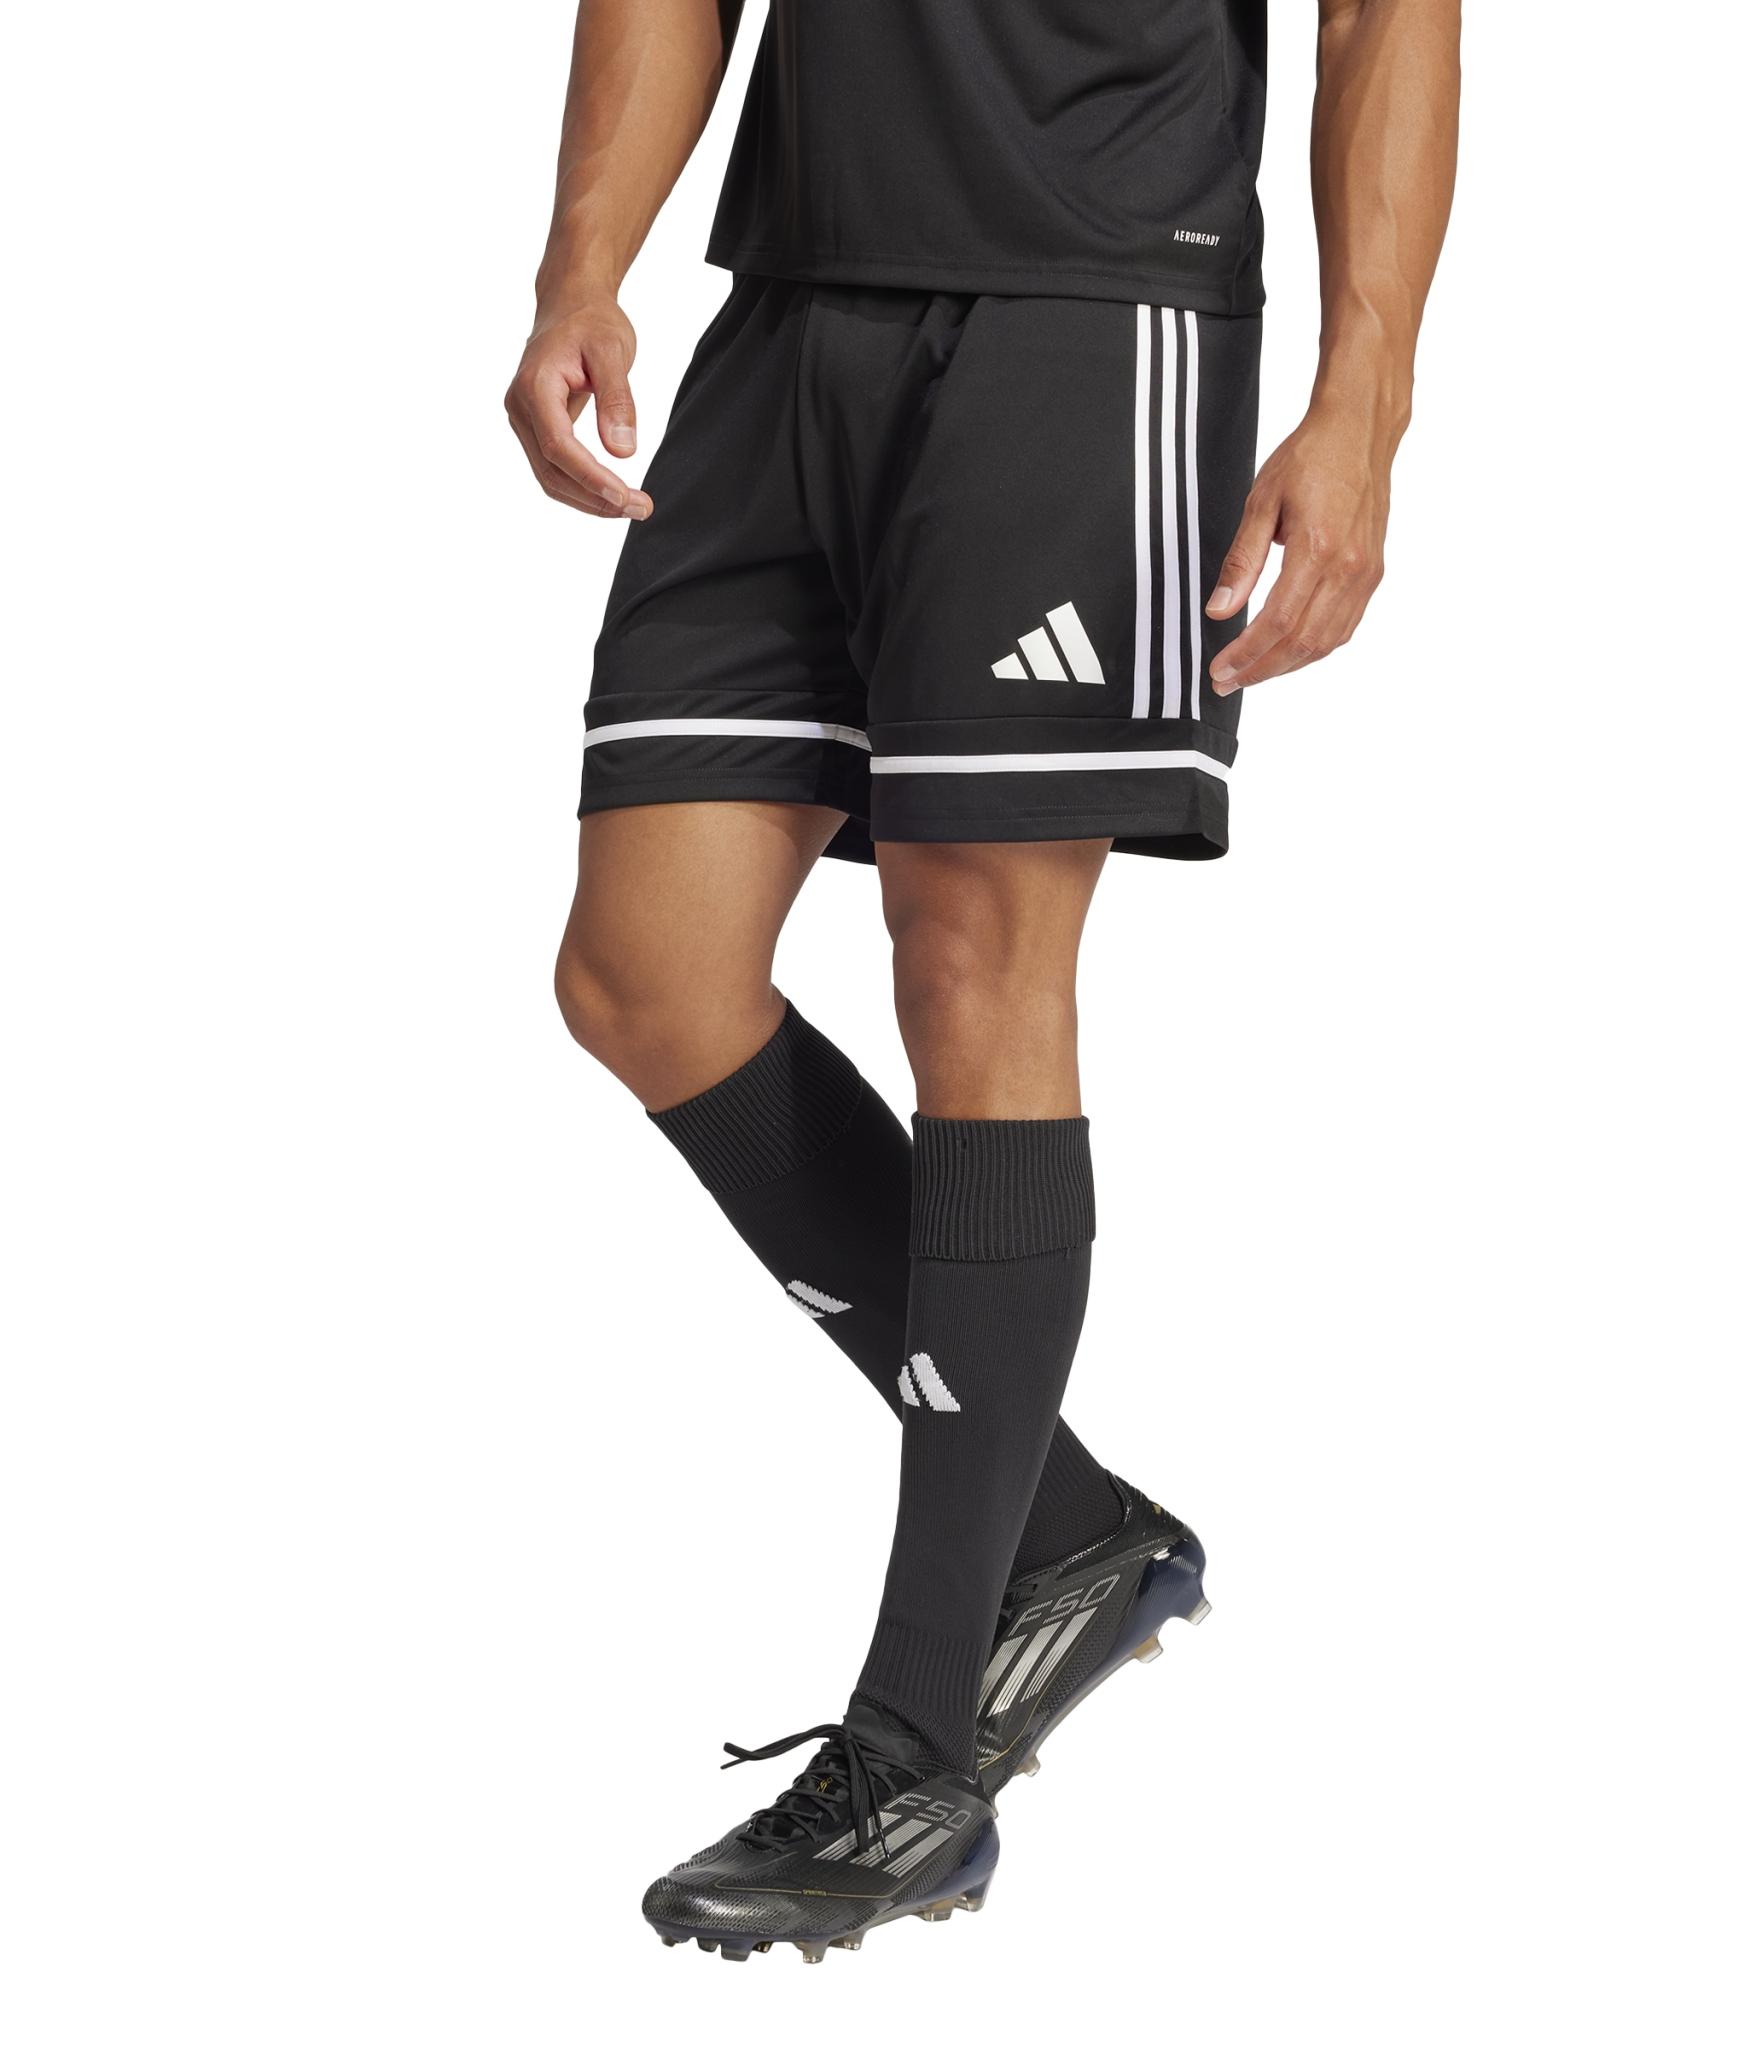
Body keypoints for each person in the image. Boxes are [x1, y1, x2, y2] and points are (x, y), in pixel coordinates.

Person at [506, 0, 1460, 1964]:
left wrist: (1362, 400)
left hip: (1087, 305)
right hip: (791, 308)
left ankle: (918, 1752)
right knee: (642, 976)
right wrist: (581, 262)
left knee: (970, 949)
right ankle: (1063, 1528)